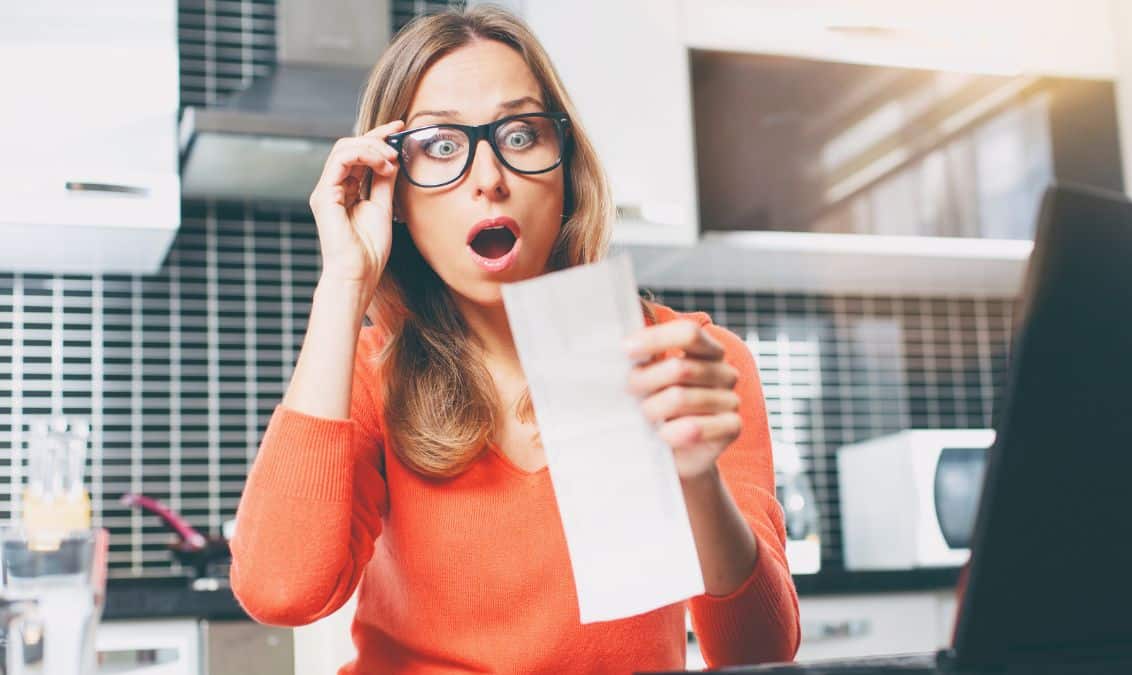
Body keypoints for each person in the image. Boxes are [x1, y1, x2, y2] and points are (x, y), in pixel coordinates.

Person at [230, 5, 801, 673]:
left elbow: (759, 653)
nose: (489, 176)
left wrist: (695, 478)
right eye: (440, 145)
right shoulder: (369, 375)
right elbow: (280, 590)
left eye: (522, 133)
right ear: (397, 196)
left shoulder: (685, 362)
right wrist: (343, 283)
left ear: (565, 169)